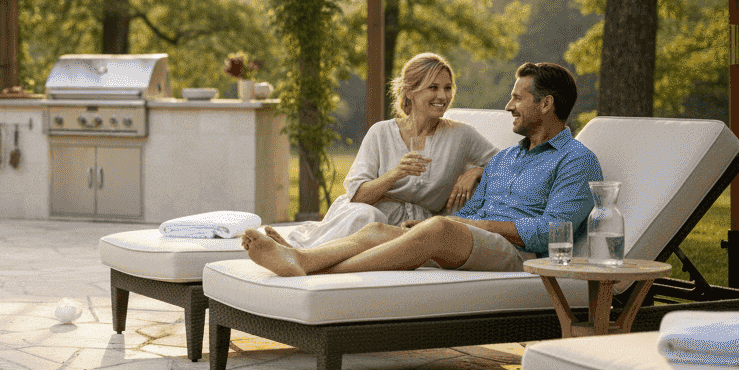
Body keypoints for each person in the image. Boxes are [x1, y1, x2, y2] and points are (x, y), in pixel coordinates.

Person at [247, 62, 602, 277]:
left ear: (547, 103)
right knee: (375, 231)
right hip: (472, 242)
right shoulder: (506, 159)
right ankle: (302, 258)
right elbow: (470, 212)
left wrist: (457, 225)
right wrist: (452, 220)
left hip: (520, 254)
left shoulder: (576, 160)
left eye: (518, 98)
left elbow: (556, 232)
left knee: (440, 229)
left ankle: (311, 272)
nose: (508, 106)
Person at [284, 52, 499, 248]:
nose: (442, 96)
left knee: (370, 223)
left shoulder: (461, 135)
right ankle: (301, 250)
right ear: (410, 92)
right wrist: (396, 174)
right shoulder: (381, 133)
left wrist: (476, 171)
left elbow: (509, 163)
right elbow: (358, 196)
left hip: (412, 227)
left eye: (447, 88)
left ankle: (300, 252)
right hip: (366, 213)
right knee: (366, 216)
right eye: (433, 88)